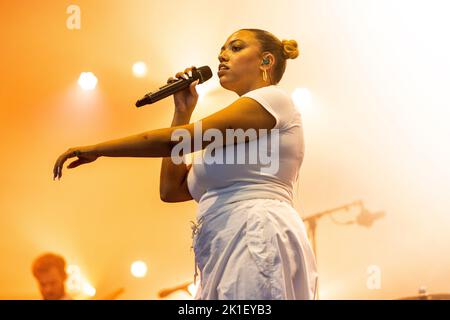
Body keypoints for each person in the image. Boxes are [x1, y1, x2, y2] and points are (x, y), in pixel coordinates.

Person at [52, 28, 318, 300]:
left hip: (256, 233)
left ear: (266, 61)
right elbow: (171, 189)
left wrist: (98, 149)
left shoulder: (274, 99)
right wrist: (182, 111)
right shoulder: (228, 135)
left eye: (236, 48)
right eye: (221, 51)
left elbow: (174, 141)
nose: (223, 55)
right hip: (223, 243)